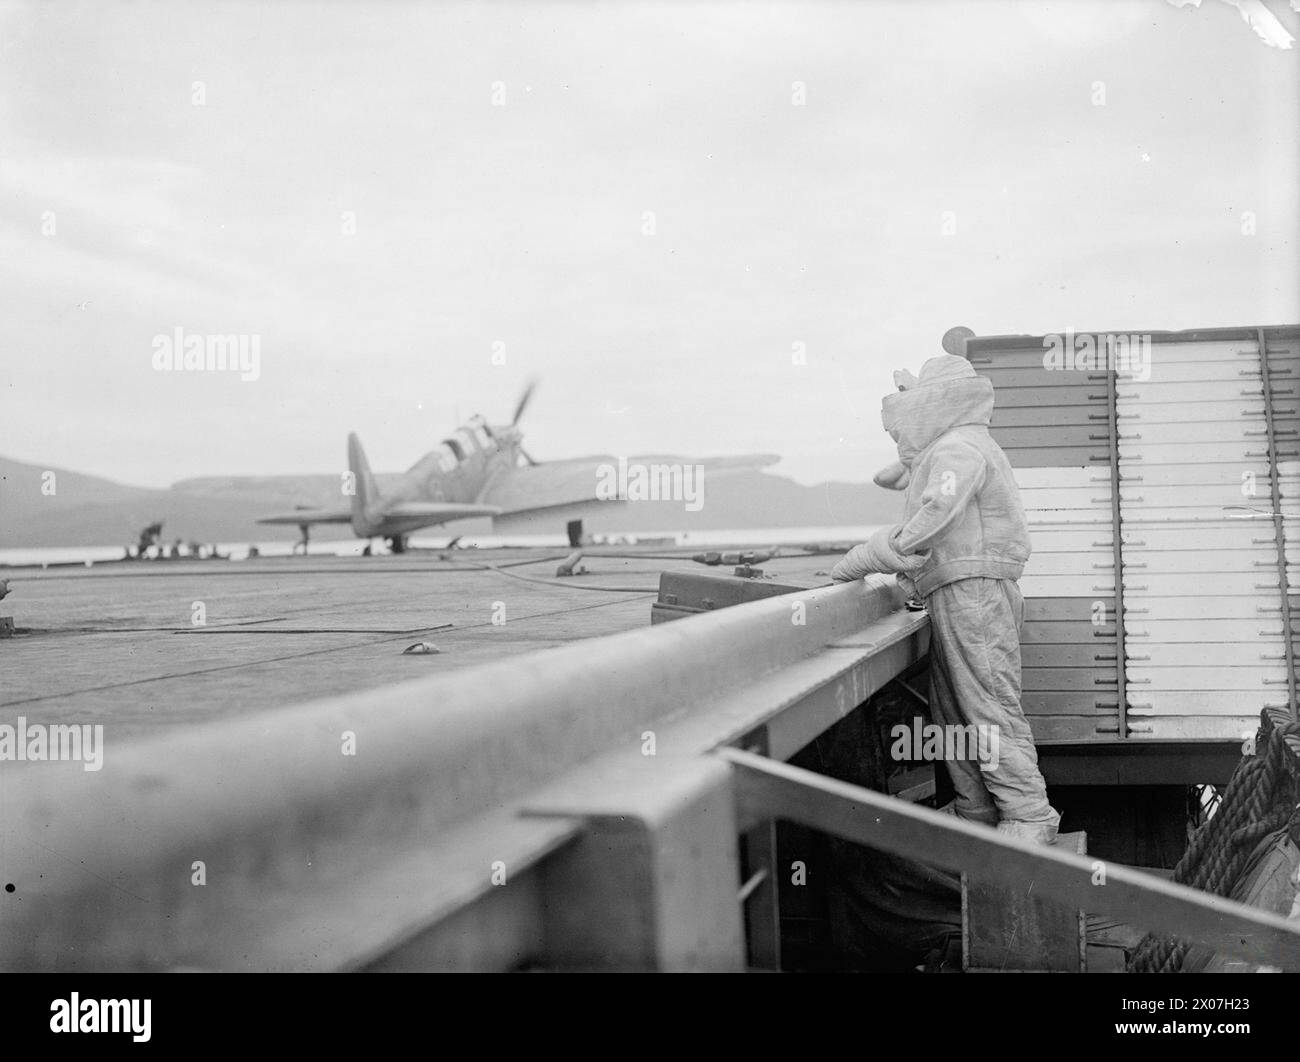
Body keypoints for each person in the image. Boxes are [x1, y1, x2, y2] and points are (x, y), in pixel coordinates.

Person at [832, 337, 1060, 845]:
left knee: (988, 704)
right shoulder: (955, 445)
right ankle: (975, 809)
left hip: (972, 589)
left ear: (936, 404)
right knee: (954, 710)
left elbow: (938, 508)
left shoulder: (960, 449)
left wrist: (876, 553)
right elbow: (894, 475)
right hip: (955, 590)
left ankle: (1028, 812)